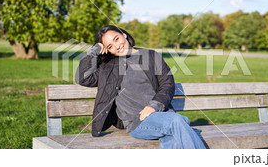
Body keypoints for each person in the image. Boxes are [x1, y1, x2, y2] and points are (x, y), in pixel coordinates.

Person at [75, 25, 206, 149]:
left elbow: (167, 83)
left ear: (124, 35)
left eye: (116, 39)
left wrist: (154, 106)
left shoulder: (151, 56)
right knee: (178, 121)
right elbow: (82, 78)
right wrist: (94, 51)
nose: (117, 46)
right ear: (107, 50)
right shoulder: (108, 68)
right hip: (137, 123)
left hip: (162, 115)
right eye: (110, 46)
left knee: (172, 137)